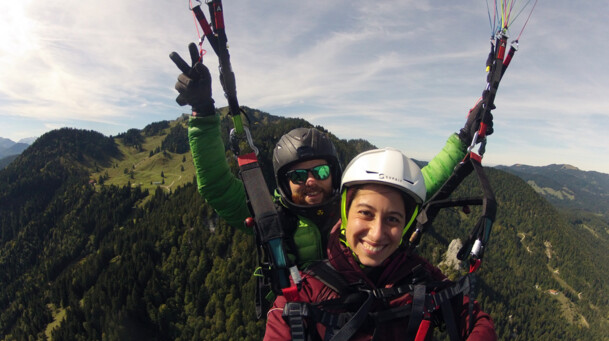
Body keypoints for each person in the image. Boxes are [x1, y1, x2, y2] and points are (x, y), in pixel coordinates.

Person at [170, 42, 491, 271]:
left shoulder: (355, 210)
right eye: (298, 176)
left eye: (320, 172)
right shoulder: (274, 220)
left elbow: (422, 181)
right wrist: (203, 114)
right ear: (282, 184)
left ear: (334, 175)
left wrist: (463, 138)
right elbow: (215, 184)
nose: (310, 181)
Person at [264, 148, 497, 340]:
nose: (376, 234)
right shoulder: (304, 294)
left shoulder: (419, 275)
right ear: (346, 214)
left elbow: (476, 320)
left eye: (393, 219)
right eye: (366, 213)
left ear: (406, 225)